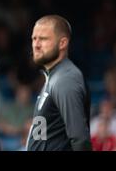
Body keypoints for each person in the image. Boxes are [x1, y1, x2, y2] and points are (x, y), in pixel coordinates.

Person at [26, 15, 91, 151]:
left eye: (43, 39)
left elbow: (79, 138)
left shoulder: (66, 79)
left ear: (62, 43)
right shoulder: (54, 76)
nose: (36, 45)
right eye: (34, 38)